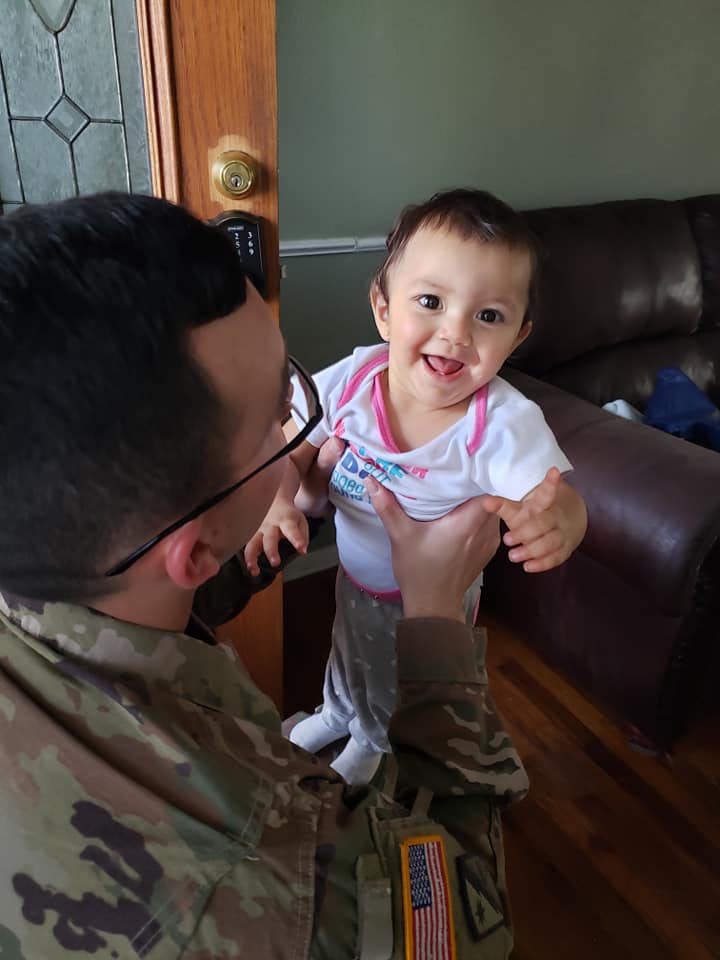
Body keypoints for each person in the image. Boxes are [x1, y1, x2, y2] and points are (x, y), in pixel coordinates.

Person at [0, 191, 528, 959]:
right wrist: (438, 620)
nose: (302, 426)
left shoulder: (60, 561)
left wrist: (285, 514)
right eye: (283, 411)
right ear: (192, 546)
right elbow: (470, 917)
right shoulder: (274, 880)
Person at [246, 188, 588, 784]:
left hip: (430, 601)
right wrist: (279, 498)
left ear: (517, 337)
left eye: (489, 316)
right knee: (347, 648)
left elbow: (556, 496)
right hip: (354, 574)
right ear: (383, 309)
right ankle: (337, 710)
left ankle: (372, 742)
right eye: (430, 301)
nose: (455, 332)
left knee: (392, 673)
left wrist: (561, 521)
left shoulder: (502, 424)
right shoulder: (354, 379)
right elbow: (293, 446)